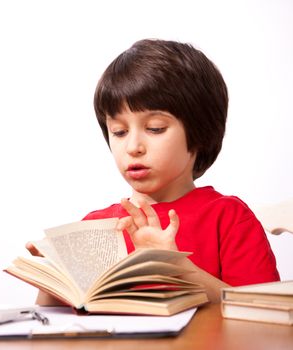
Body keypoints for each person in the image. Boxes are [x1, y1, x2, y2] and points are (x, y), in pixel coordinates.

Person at [27, 39, 279, 304]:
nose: (133, 147)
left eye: (155, 128)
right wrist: (53, 280)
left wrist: (177, 269)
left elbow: (264, 312)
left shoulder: (228, 218)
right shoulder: (94, 227)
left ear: (200, 134)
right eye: (119, 132)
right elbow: (52, 322)